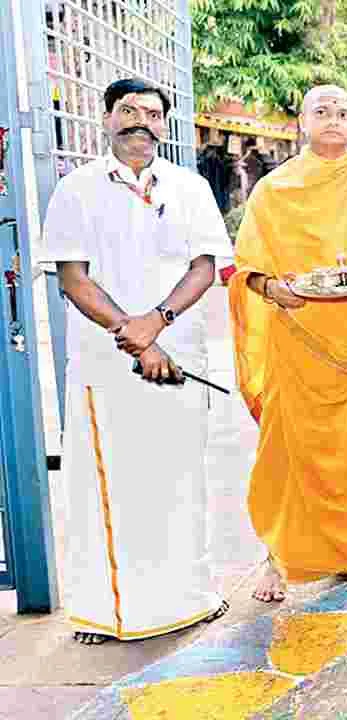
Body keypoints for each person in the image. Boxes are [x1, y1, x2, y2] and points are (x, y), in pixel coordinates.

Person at [45, 77, 231, 644]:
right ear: (107, 118)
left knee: (179, 478)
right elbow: (73, 278)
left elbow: (204, 267)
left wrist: (159, 322)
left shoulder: (190, 187)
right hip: (106, 363)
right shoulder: (76, 189)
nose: (140, 123)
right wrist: (137, 336)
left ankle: (189, 598)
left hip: (180, 354)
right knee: (106, 483)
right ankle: (104, 611)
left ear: (163, 126)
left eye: (152, 114)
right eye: (128, 110)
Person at [229, 85, 347, 602]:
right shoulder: (274, 190)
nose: (333, 120)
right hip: (296, 342)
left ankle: (346, 553)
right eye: (322, 111)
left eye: (343, 113)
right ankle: (276, 558)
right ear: (303, 122)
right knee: (287, 452)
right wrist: (272, 288)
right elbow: (247, 266)